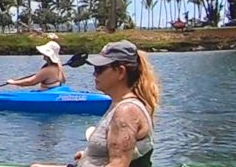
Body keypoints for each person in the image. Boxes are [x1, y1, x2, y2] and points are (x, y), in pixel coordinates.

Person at [31, 40, 161, 167]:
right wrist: (87, 156)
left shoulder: (126, 111)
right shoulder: (120, 105)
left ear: (121, 72)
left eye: (100, 69)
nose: (94, 74)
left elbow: (118, 164)